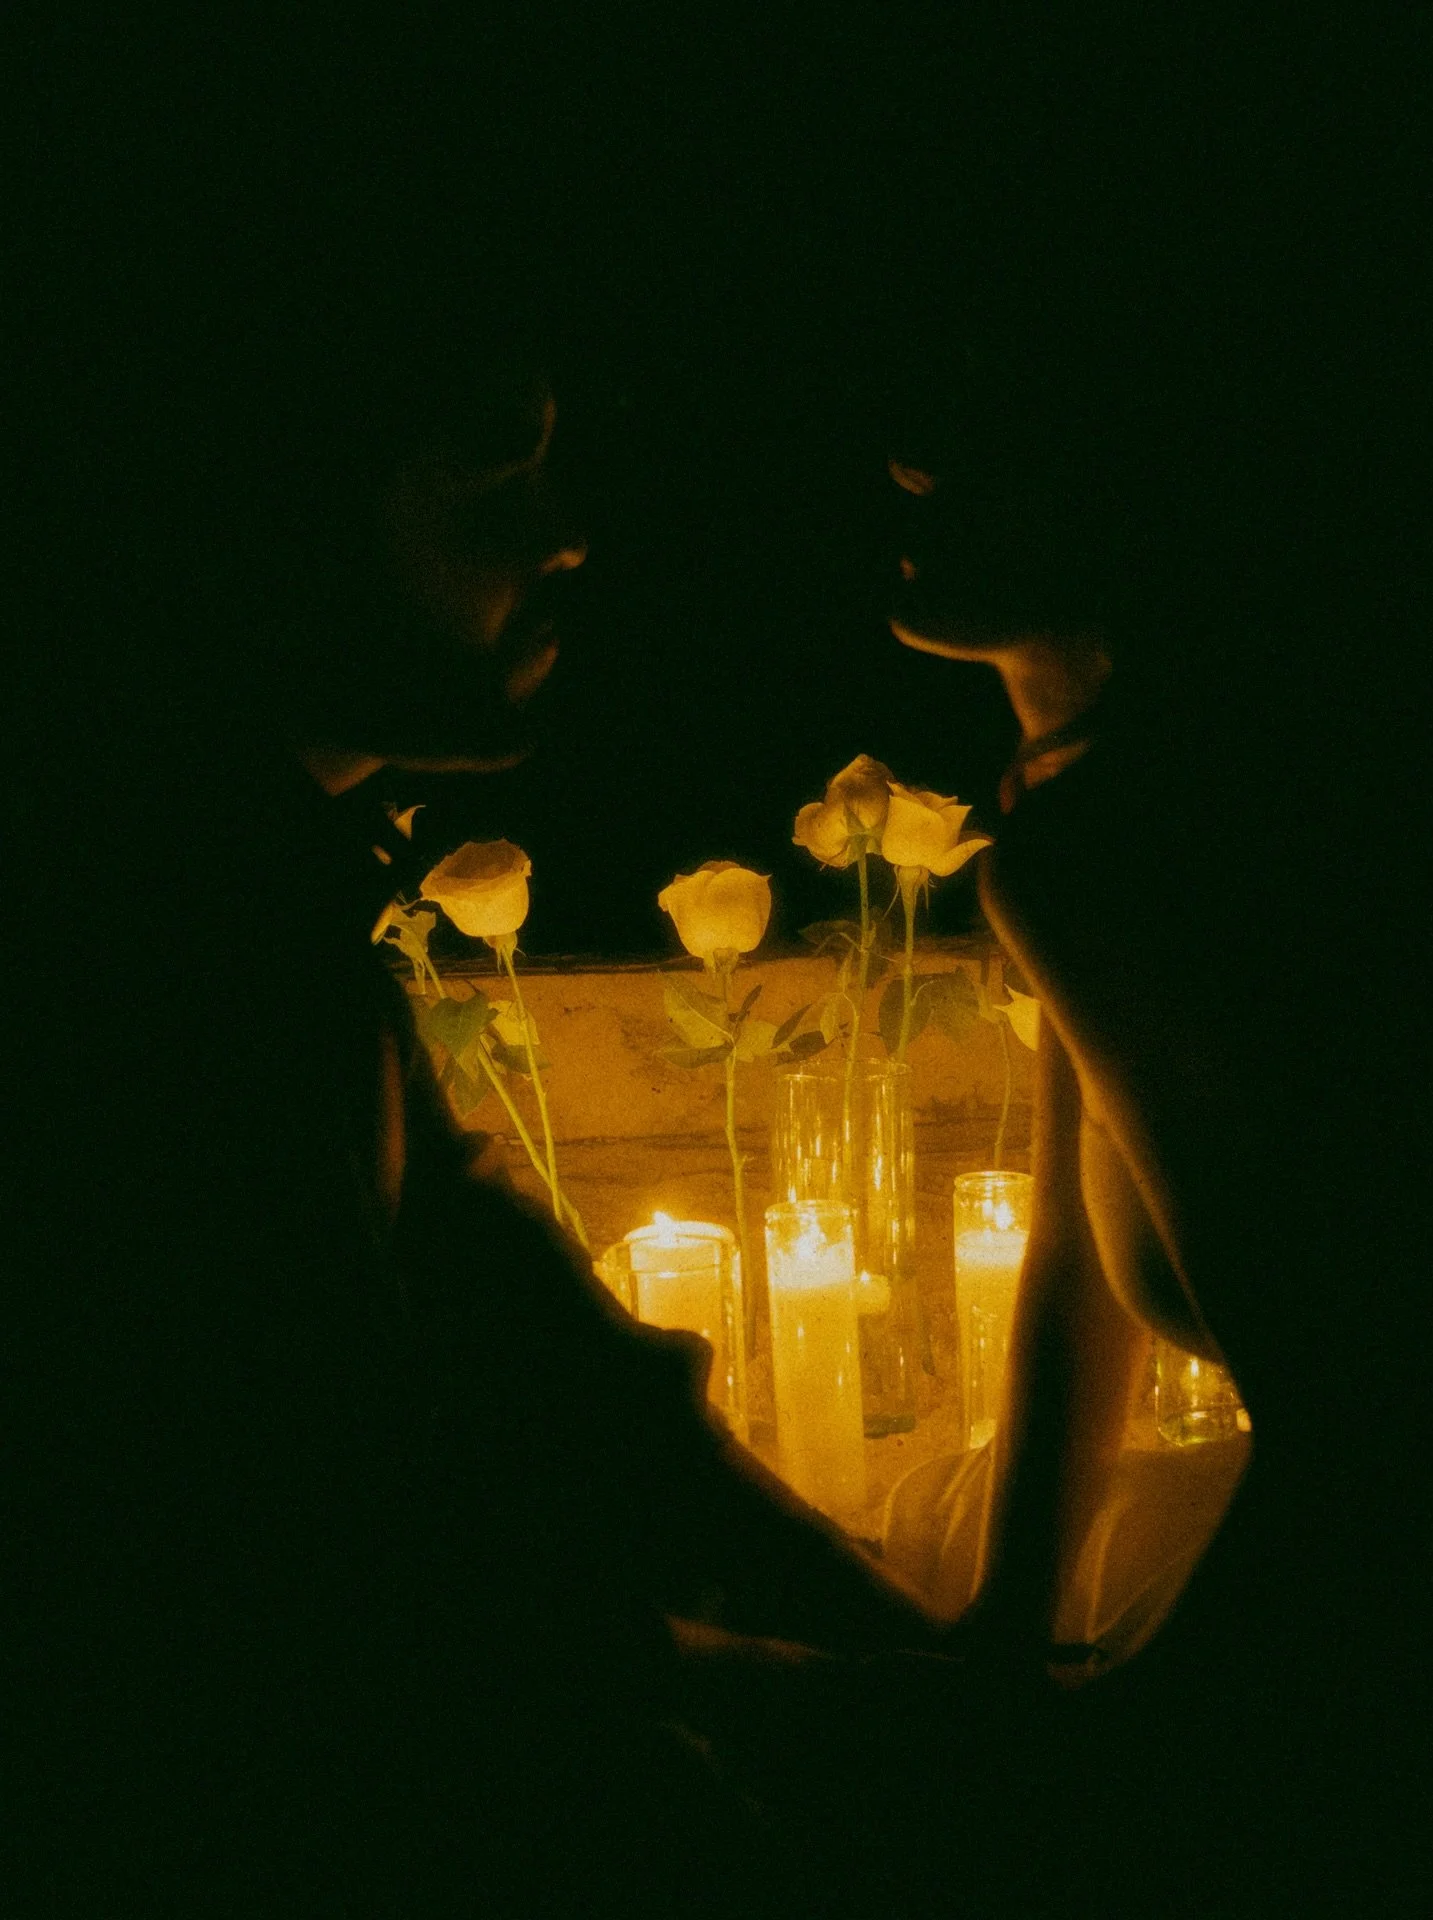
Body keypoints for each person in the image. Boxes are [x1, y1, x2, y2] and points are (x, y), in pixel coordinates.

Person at [7, 327, 948, 1915]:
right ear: (256, 509)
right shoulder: (122, 950)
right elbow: (297, 1559)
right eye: (485, 465)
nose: (561, 530)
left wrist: (867, 1625)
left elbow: (506, 1318)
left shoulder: (245, 885)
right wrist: (801, 1693)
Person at [880, 343, 1433, 1912]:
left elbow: (1374, 1423)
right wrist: (1011, 1630)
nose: (912, 461)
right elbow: (1075, 1242)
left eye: (992, 440)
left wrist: (1134, 1742)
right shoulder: (1096, 815)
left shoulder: (1124, 853)